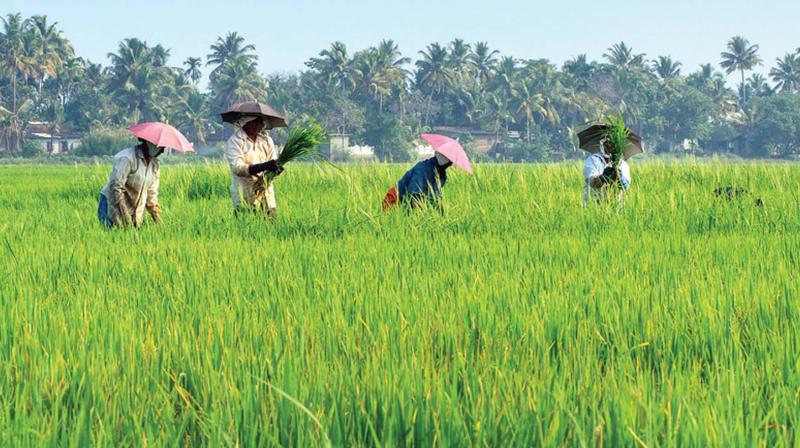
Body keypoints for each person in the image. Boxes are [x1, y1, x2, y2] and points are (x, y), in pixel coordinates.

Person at [224, 116, 285, 217]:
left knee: (271, 226)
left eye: (260, 122)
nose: (257, 126)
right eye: (253, 122)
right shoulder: (235, 141)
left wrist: (276, 169)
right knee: (245, 226)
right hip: (244, 191)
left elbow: (273, 160)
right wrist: (264, 166)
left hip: (266, 193)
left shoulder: (266, 140)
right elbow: (238, 168)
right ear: (245, 122)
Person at [97, 139, 164, 228]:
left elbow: (151, 193)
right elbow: (116, 186)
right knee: (113, 236)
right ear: (149, 143)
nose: (162, 151)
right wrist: (125, 215)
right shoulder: (128, 158)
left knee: (130, 237)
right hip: (112, 202)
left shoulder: (155, 165)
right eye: (160, 147)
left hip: (135, 206)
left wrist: (158, 219)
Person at [583, 141, 631, 207]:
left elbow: (625, 186)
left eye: (614, 145)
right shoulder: (593, 160)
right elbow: (592, 182)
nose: (610, 148)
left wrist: (620, 177)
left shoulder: (622, 164)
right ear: (603, 145)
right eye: (607, 145)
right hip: (594, 205)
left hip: (616, 206)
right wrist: (605, 176)